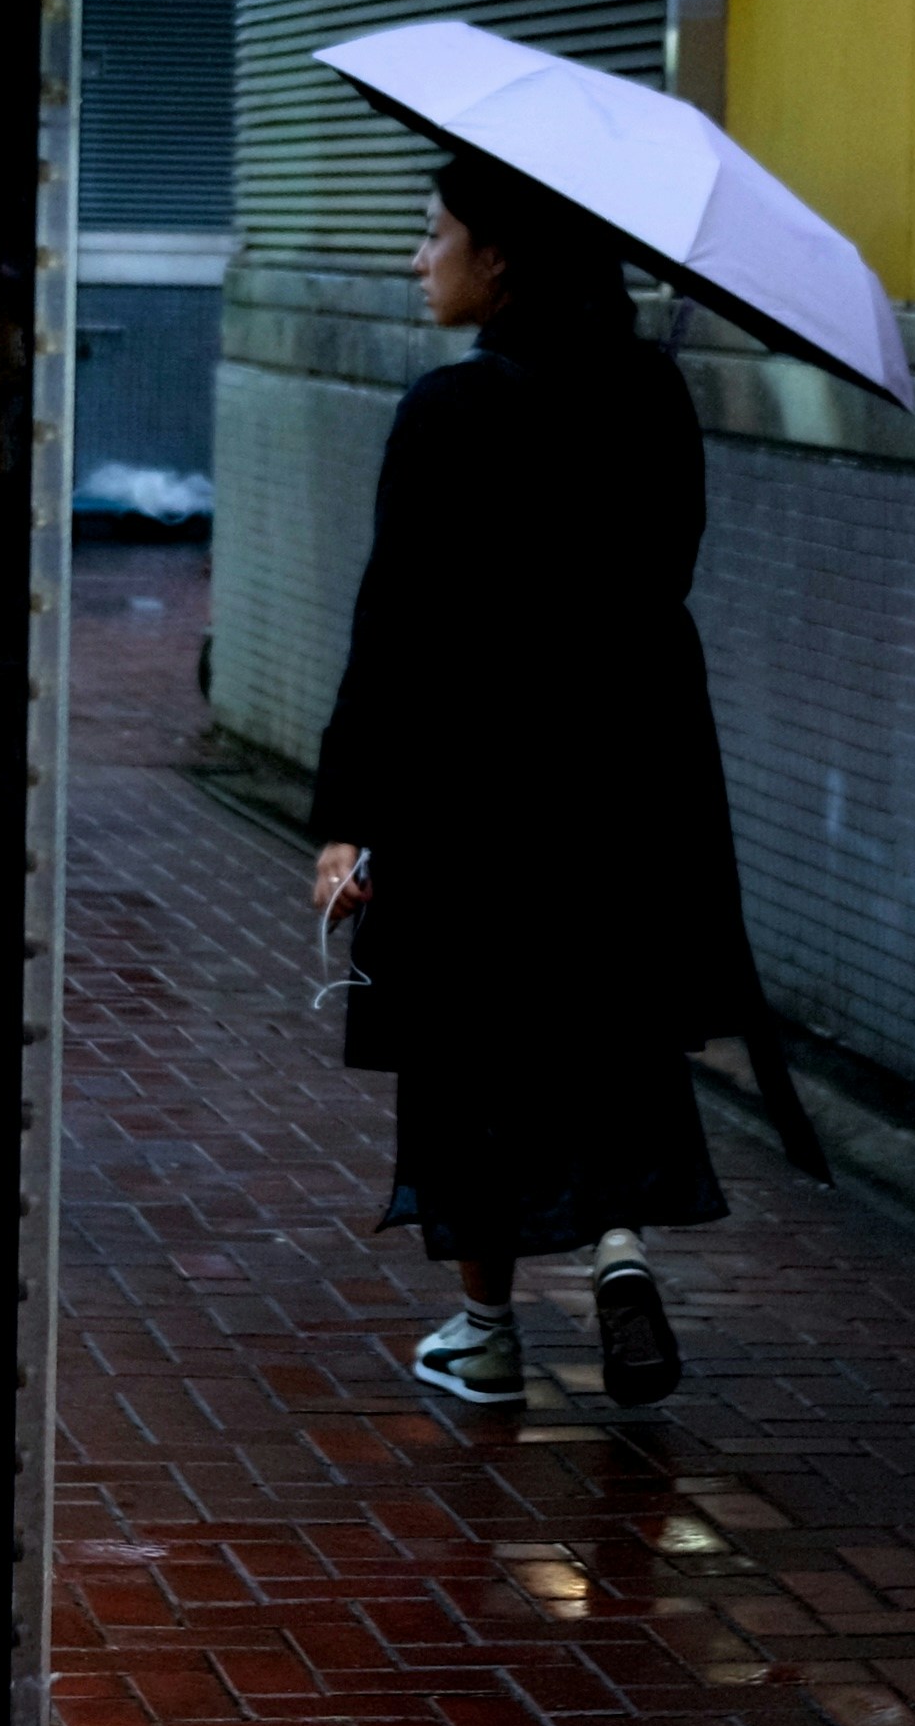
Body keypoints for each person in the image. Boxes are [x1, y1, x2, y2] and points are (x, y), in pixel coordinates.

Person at [306, 147, 787, 1410]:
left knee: (470, 1055)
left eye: (435, 232)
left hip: (472, 791)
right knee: (604, 1021)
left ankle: (485, 1330)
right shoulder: (652, 394)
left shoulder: (450, 412)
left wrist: (347, 816)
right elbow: (666, 575)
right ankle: (620, 1250)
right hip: (625, 780)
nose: (421, 258)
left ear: (500, 254)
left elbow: (394, 626)